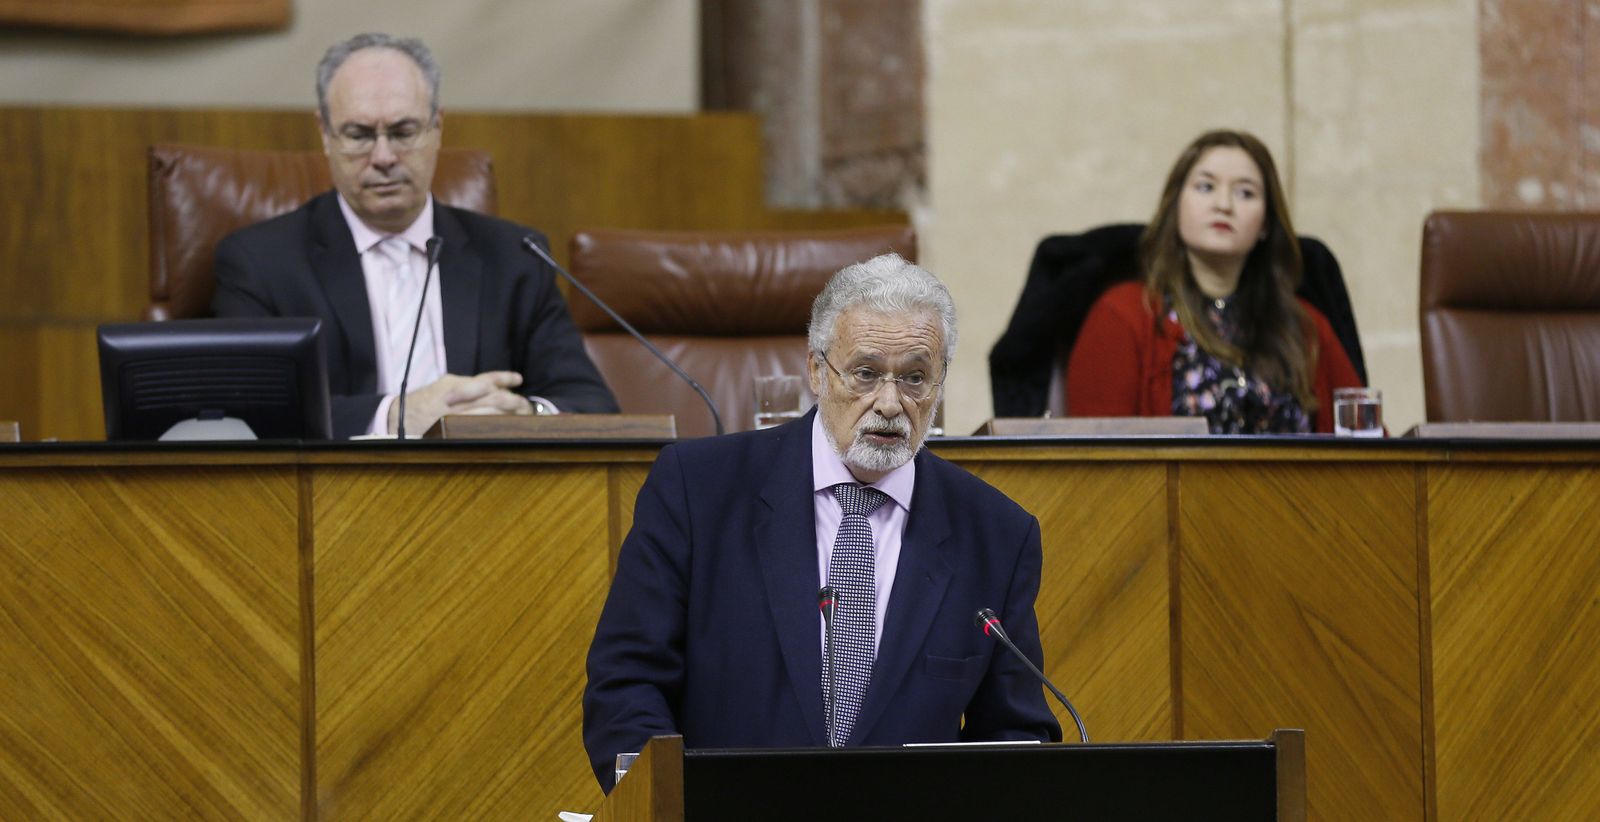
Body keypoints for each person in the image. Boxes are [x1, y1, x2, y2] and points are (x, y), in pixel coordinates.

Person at [582, 252, 1062, 793]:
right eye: (865, 373)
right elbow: (626, 688)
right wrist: (664, 805)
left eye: (915, 378)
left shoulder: (995, 534)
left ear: (941, 383)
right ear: (816, 368)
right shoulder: (697, 491)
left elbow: (1016, 733)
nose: (889, 403)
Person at [212, 33, 617, 438]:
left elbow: (590, 403)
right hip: (333, 494)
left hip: (488, 489)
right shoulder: (261, 262)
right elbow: (249, 412)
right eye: (358, 135)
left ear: (437, 127)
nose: (384, 157)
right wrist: (395, 415)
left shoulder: (515, 257)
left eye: (404, 132)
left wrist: (523, 416)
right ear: (325, 133)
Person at [1066, 129, 1362, 433]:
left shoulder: (1304, 326)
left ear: (1265, 224)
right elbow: (1097, 464)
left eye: (1245, 192)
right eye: (1205, 187)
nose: (1224, 205)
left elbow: (1368, 451)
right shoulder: (1122, 315)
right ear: (1175, 206)